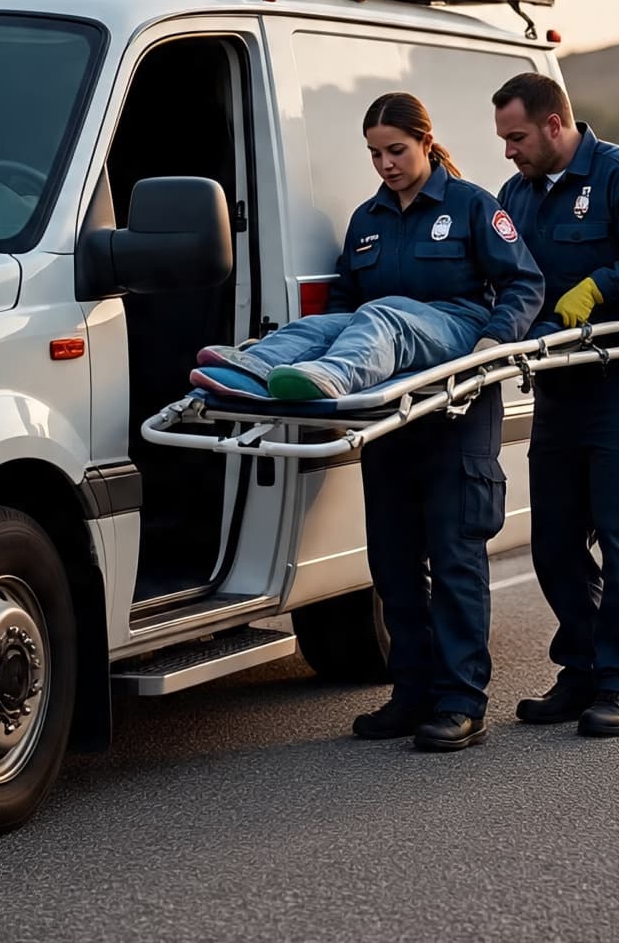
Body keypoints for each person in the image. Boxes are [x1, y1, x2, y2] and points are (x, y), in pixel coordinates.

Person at [197, 92, 545, 750]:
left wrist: (492, 341)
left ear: (424, 141)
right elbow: (346, 308)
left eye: (396, 150)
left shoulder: (471, 206)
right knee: (391, 560)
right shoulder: (367, 221)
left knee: (453, 559)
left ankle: (460, 702)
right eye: (375, 154)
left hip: (451, 386)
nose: (385, 164)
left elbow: (525, 283)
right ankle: (249, 370)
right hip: (390, 413)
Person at [492, 72, 619, 737]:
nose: (509, 151)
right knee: (552, 540)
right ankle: (580, 671)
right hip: (558, 388)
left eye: (516, 136)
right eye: (503, 139)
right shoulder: (515, 195)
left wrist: (598, 287)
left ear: (554, 124)